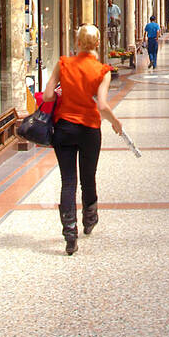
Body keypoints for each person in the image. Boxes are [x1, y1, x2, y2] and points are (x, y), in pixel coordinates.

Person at [43, 23, 123, 255]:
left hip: (64, 128)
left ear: (77, 42)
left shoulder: (63, 64)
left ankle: (70, 233)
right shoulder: (102, 71)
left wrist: (62, 89)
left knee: (68, 181)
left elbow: (48, 95)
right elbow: (103, 105)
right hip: (89, 129)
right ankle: (90, 218)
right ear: (97, 44)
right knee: (88, 177)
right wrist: (115, 122)